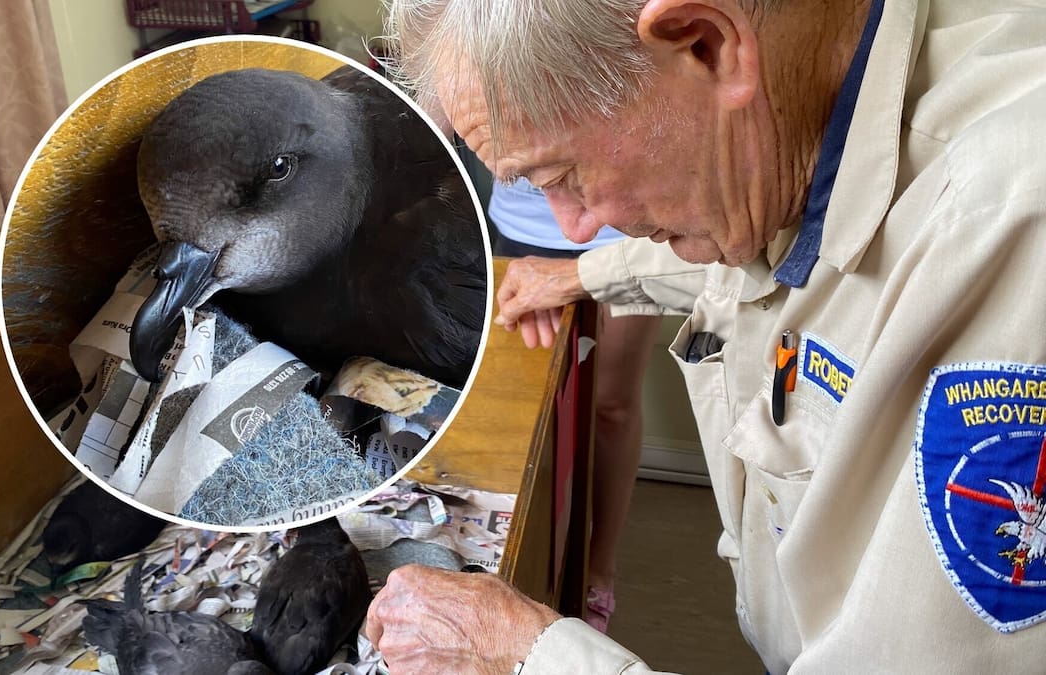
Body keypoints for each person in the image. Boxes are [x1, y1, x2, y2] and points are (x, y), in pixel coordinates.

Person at [367, 0, 1046, 673]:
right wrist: (589, 273)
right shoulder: (790, 125)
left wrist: (530, 656)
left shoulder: (1006, 220)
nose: (574, 224)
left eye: (563, 175)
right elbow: (761, 268)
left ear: (706, 45)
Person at [488, 177, 663, 632]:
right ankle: (525, 566)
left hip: (624, 229)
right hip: (521, 227)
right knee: (526, 411)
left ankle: (599, 571)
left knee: (610, 406)